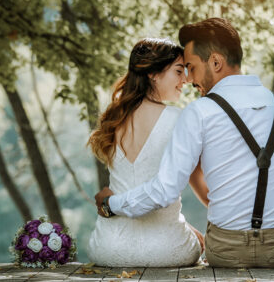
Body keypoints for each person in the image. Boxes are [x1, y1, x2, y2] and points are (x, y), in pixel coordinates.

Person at [96, 18, 274, 268]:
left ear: (216, 62)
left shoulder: (197, 113)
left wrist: (111, 204)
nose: (189, 79)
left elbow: (164, 190)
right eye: (182, 70)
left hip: (224, 252)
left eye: (191, 67)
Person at [87, 38, 205, 267]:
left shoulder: (113, 119)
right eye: (179, 71)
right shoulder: (179, 118)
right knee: (198, 244)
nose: (186, 80)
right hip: (167, 250)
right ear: (153, 73)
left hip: (108, 248)